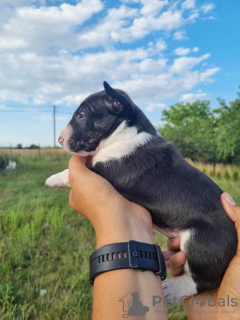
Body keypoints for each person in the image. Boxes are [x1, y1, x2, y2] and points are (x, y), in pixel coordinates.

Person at [68, 155, 240, 319]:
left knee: (193, 245)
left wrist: (112, 217)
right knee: (184, 252)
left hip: (209, 236)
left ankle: (195, 281)